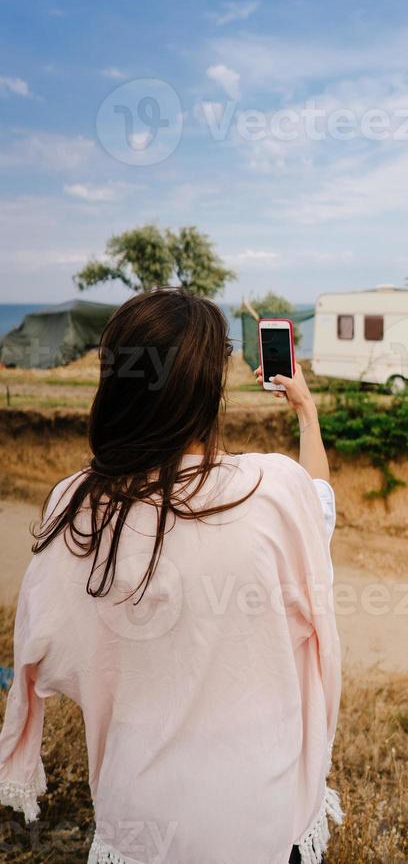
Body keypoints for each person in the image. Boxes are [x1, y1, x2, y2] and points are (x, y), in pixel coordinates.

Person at [0, 289, 342, 864]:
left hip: (139, 826)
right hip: (263, 819)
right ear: (209, 392)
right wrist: (305, 411)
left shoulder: (77, 506)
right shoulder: (271, 491)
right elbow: (320, 505)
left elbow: (39, 650)